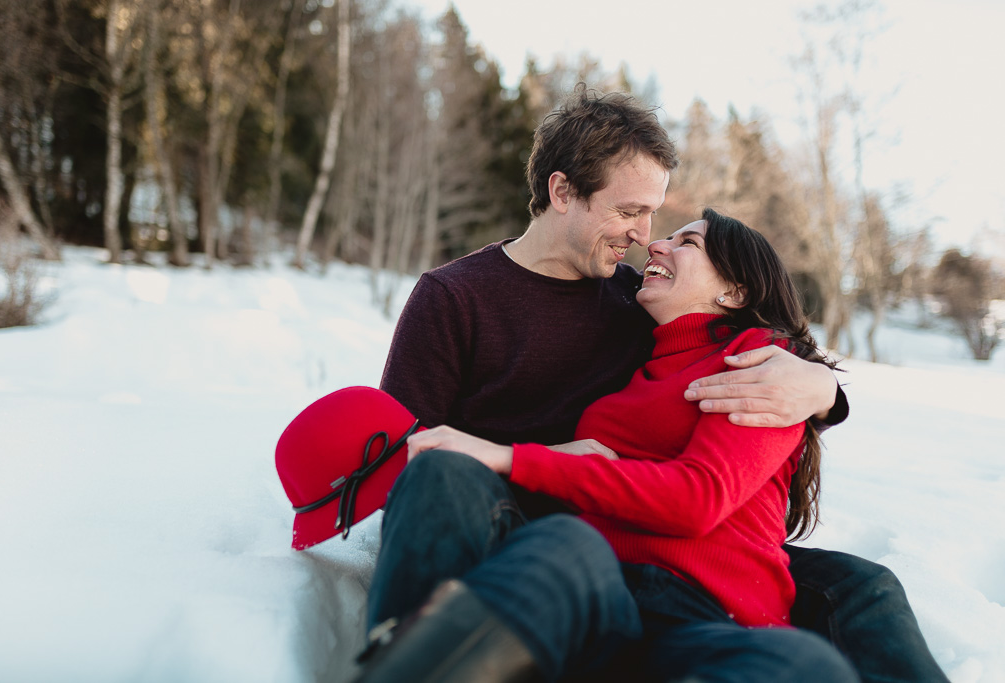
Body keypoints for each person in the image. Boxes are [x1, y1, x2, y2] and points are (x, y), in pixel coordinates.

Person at [363, 87, 946, 682]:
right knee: (447, 474)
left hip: (625, 541)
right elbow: (391, 452)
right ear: (563, 192)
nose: (646, 237)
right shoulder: (453, 298)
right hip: (514, 522)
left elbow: (717, 357)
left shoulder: (636, 303)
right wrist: (518, 460)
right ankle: (404, 651)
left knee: (858, 586)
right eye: (628, 212)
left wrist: (824, 389)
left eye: (654, 215)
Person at [405, 208, 859, 681]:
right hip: (604, 597)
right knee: (561, 543)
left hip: (706, 617)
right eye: (664, 235)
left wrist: (508, 458)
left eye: (688, 243)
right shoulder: (633, 364)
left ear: (735, 290)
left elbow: (696, 498)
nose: (656, 244)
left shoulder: (764, 363)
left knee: (806, 668)